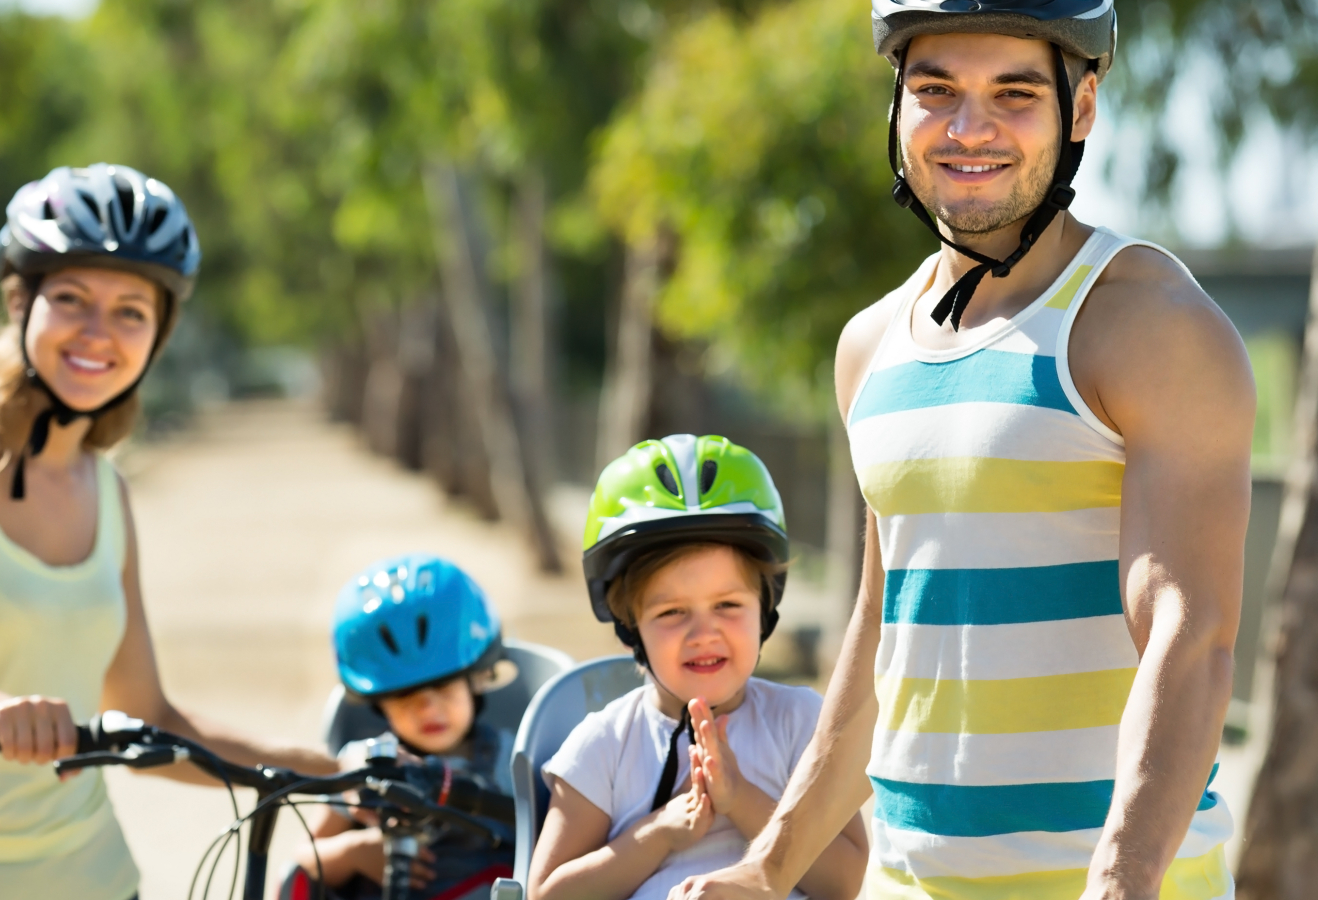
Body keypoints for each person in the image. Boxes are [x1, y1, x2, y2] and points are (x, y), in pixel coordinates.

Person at [669, 3, 1252, 900]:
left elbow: (1190, 629)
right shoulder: (870, 347)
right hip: (908, 882)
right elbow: (882, 639)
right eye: (936, 90)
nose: (969, 128)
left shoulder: (1143, 322)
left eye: (1014, 93)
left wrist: (1121, 878)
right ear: (897, 106)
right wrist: (765, 866)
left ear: (1082, 108)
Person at [0, 163, 336, 900]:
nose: (99, 332)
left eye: (132, 310)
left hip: (86, 876)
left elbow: (146, 719)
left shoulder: (108, 492)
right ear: (19, 301)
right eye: (71, 299)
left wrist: (324, 771)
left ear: (158, 334)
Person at [527, 435, 867, 900]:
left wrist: (742, 800)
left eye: (727, 604)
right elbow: (546, 894)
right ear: (630, 627)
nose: (703, 633)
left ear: (765, 609)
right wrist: (659, 833)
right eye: (672, 612)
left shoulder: (802, 724)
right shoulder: (605, 744)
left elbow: (844, 882)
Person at [293, 554, 517, 900]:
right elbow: (302, 862)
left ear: (479, 678)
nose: (427, 707)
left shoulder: (513, 760)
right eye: (404, 695)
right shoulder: (363, 765)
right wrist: (353, 852)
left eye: (444, 686)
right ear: (377, 702)